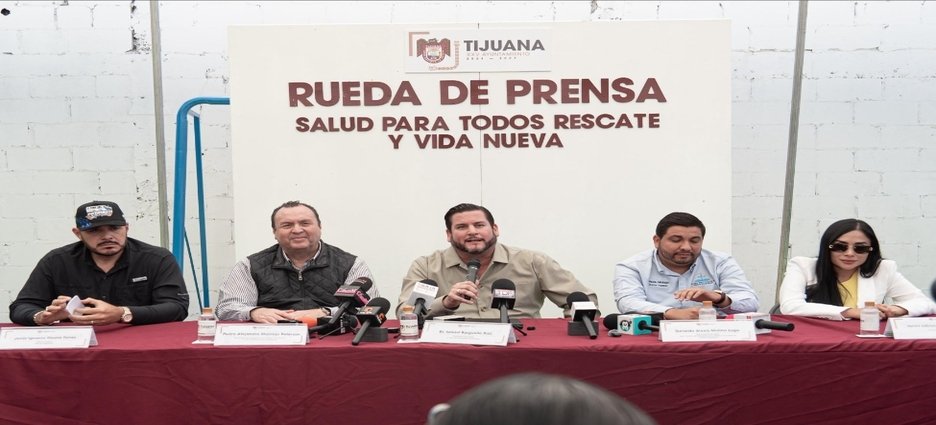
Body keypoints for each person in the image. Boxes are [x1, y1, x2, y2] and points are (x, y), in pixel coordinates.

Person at [399, 203, 597, 319]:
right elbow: (405, 313)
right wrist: (446, 303)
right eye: (461, 227)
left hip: (520, 346)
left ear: (495, 229)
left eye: (479, 225)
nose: (472, 232)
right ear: (448, 235)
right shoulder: (426, 266)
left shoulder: (532, 261)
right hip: (452, 349)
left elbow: (585, 302)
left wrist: (568, 332)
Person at [9, 201, 189, 326]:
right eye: (95, 230)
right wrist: (42, 316)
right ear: (78, 234)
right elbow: (21, 307)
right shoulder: (56, 261)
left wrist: (122, 313)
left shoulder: (157, 258)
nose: (107, 236)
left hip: (141, 343)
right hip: (77, 349)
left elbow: (177, 307)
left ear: (126, 228)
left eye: (115, 228)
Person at [216, 201, 376, 323]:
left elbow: (370, 308)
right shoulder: (250, 265)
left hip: (331, 337)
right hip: (272, 340)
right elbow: (226, 309)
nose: (297, 230)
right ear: (274, 232)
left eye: (305, 223)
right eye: (287, 225)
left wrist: (326, 312)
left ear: (320, 227)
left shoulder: (351, 264)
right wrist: (254, 312)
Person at [779, 218, 935, 320]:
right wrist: (852, 312)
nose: (849, 253)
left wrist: (897, 309)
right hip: (815, 340)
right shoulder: (802, 266)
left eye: (860, 248)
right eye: (840, 247)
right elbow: (790, 306)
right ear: (827, 247)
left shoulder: (883, 269)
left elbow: (925, 303)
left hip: (864, 342)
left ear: (871, 250)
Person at [613, 212, 759, 319]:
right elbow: (628, 302)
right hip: (654, 332)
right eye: (676, 240)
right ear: (657, 241)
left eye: (694, 241)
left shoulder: (721, 262)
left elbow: (750, 302)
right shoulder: (632, 267)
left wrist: (719, 298)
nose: (686, 247)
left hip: (714, 332)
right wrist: (671, 313)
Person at [427, 372, 657, 425]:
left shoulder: (533, 265)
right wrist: (446, 303)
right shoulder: (427, 267)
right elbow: (411, 307)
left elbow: (580, 298)